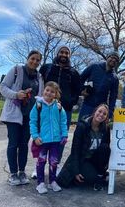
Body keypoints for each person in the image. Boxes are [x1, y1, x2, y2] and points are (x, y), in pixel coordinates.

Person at [0, 50, 44, 186]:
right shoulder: (17, 70)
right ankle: (13, 173)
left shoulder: (39, 76)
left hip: (30, 116)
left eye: (37, 60)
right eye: (32, 58)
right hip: (14, 115)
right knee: (13, 143)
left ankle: (22, 171)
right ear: (28, 58)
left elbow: (40, 96)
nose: (34, 62)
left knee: (24, 145)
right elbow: (3, 87)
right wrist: (16, 94)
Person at [38, 45, 80, 177]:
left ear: (69, 56)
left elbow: (77, 90)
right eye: (61, 52)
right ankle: (40, 164)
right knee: (42, 137)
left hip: (64, 110)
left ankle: (55, 165)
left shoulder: (74, 73)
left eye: (66, 53)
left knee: (60, 138)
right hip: (45, 107)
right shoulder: (47, 68)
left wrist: (69, 102)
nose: (64, 54)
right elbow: (39, 83)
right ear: (57, 53)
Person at [56, 104, 111, 191]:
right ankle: (85, 175)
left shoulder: (105, 128)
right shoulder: (82, 126)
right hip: (83, 158)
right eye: (99, 111)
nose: (101, 115)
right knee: (88, 177)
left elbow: (106, 150)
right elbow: (75, 150)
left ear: (106, 117)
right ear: (94, 112)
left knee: (105, 147)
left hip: (94, 159)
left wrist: (104, 167)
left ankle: (100, 175)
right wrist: (76, 171)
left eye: (104, 114)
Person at [30, 81, 68, 194]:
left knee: (54, 162)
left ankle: (52, 182)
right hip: (42, 140)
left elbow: (63, 122)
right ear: (43, 91)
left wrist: (64, 135)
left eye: (52, 91)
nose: (49, 93)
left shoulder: (59, 107)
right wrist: (35, 136)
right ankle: (40, 183)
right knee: (41, 161)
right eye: (47, 90)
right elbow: (33, 122)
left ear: (56, 94)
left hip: (55, 141)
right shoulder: (38, 105)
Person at [79, 52, 119, 119]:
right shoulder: (94, 66)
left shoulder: (115, 78)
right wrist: (82, 90)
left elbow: (113, 96)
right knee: (82, 127)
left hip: (101, 109)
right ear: (107, 57)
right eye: (112, 57)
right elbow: (80, 79)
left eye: (116, 59)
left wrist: (110, 112)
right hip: (87, 104)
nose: (114, 60)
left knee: (96, 129)